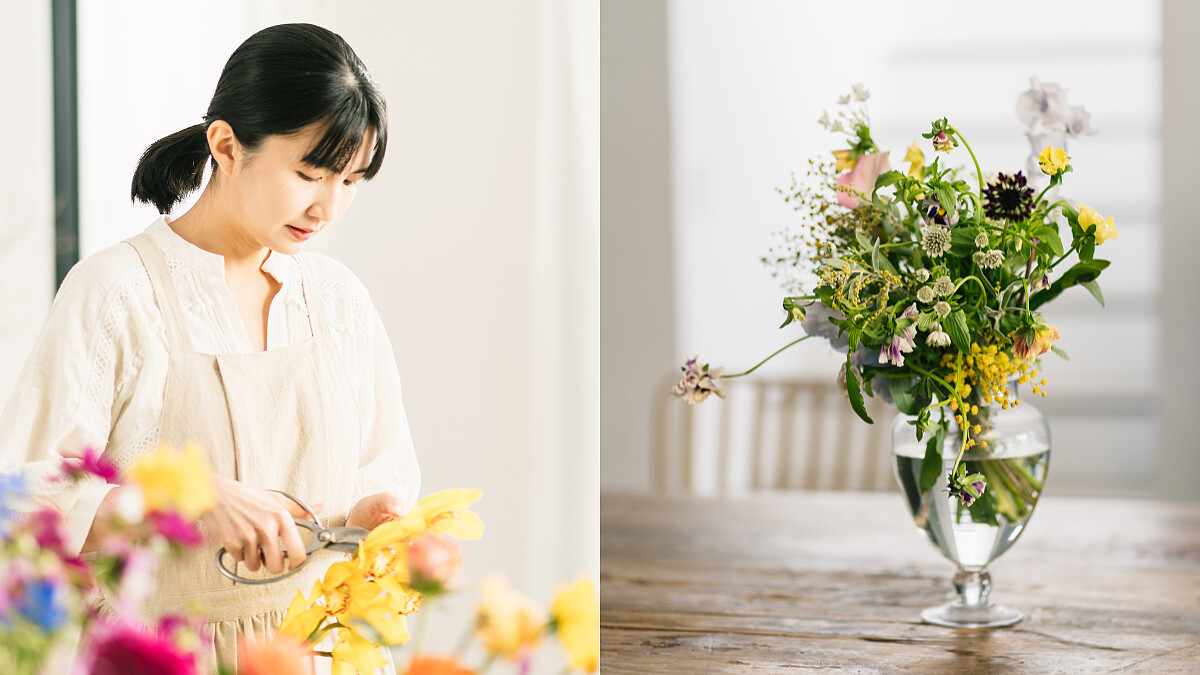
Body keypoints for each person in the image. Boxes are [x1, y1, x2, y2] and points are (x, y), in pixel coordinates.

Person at [0, 23, 419, 673]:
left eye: (351, 180)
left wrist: (375, 513)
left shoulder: (339, 302)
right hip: (158, 657)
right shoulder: (117, 293)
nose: (329, 207)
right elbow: (22, 503)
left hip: (318, 653)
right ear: (226, 144)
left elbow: (378, 473)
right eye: (310, 173)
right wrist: (181, 497)